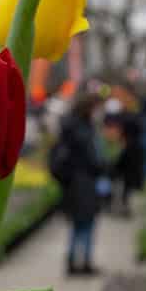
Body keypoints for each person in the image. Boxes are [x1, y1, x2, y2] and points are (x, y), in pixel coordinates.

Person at [50, 93, 105, 276]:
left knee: (76, 223)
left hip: (72, 182)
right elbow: (93, 160)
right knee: (87, 223)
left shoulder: (68, 127)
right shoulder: (84, 130)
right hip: (84, 182)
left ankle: (73, 260)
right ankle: (84, 262)